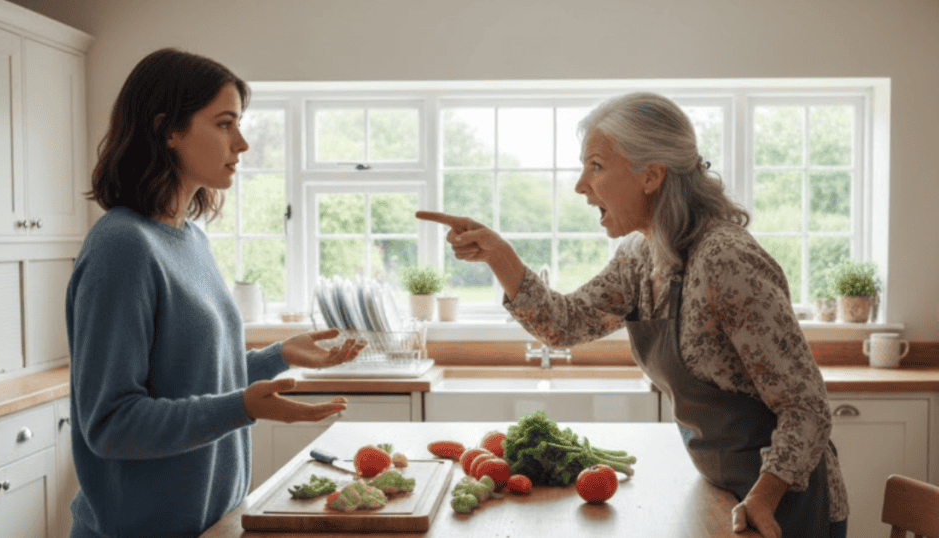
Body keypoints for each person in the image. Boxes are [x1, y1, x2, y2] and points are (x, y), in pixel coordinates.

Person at [417, 92, 848, 538]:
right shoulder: (641, 256)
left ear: (651, 176)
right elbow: (564, 323)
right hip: (725, 492)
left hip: (782, 507)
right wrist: (499, 257)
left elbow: (806, 405)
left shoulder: (726, 259)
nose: (581, 185)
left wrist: (762, 497)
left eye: (596, 166)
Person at [65, 48, 366, 538]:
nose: (242, 143)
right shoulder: (123, 246)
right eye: (225, 123)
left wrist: (276, 357)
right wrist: (243, 407)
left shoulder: (190, 239)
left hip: (214, 522)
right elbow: (111, 422)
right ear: (168, 130)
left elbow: (188, 380)